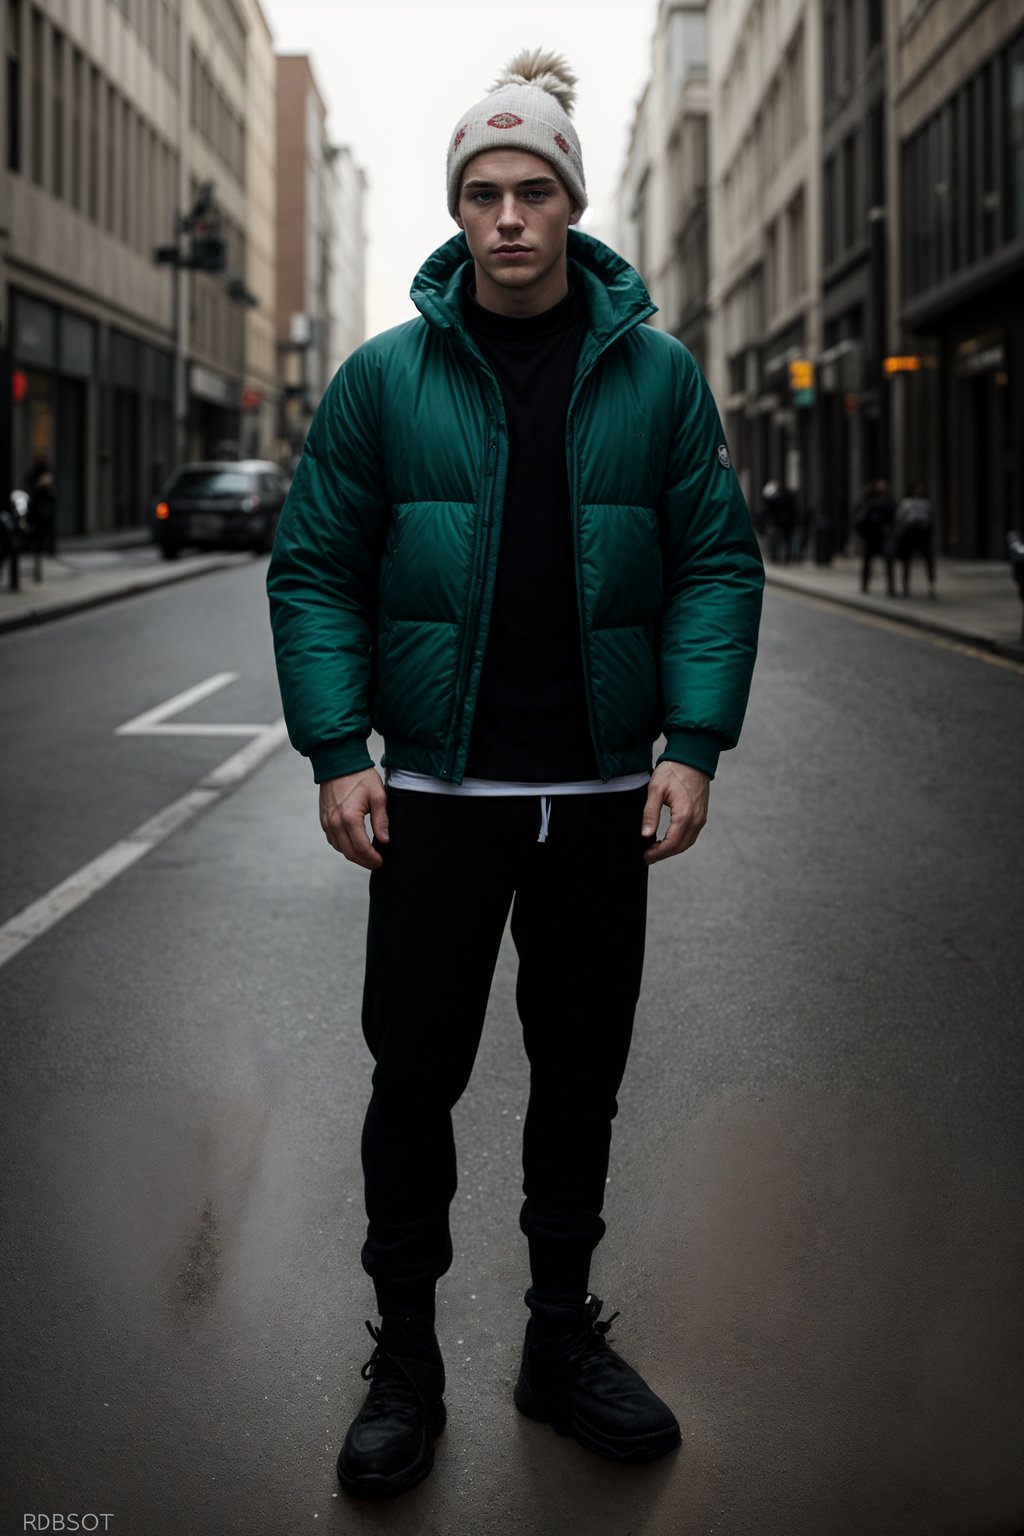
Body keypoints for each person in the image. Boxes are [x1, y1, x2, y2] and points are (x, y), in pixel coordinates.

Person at [267, 47, 764, 1500]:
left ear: (572, 203)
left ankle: (559, 1337)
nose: (506, 217)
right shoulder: (383, 379)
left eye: (532, 190)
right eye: (481, 193)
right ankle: (405, 1360)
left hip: (604, 798)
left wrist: (694, 742)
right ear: (457, 212)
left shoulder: (659, 378)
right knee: (413, 1076)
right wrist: (337, 749)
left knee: (581, 1075)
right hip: (435, 800)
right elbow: (316, 567)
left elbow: (715, 565)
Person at [851, 478, 896, 595]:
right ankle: (865, 585)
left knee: (886, 561)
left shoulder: (884, 500)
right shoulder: (872, 499)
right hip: (873, 536)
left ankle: (890, 587)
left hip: (881, 536)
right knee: (868, 562)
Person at [894, 480, 936, 598]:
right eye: (916, 488)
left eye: (920, 488)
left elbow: (931, 517)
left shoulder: (926, 502)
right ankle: (905, 586)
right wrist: (899, 534)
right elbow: (899, 519)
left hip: (923, 533)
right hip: (909, 533)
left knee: (929, 559)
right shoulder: (906, 502)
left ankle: (931, 585)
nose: (918, 490)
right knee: (906, 560)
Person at [25, 455, 57, 557]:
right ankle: (38, 547)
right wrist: (39, 483)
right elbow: (29, 486)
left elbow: (55, 491)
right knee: (38, 528)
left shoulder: (49, 473)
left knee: (49, 528)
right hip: (37, 505)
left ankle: (50, 549)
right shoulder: (34, 473)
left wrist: (49, 487)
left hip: (48, 504)